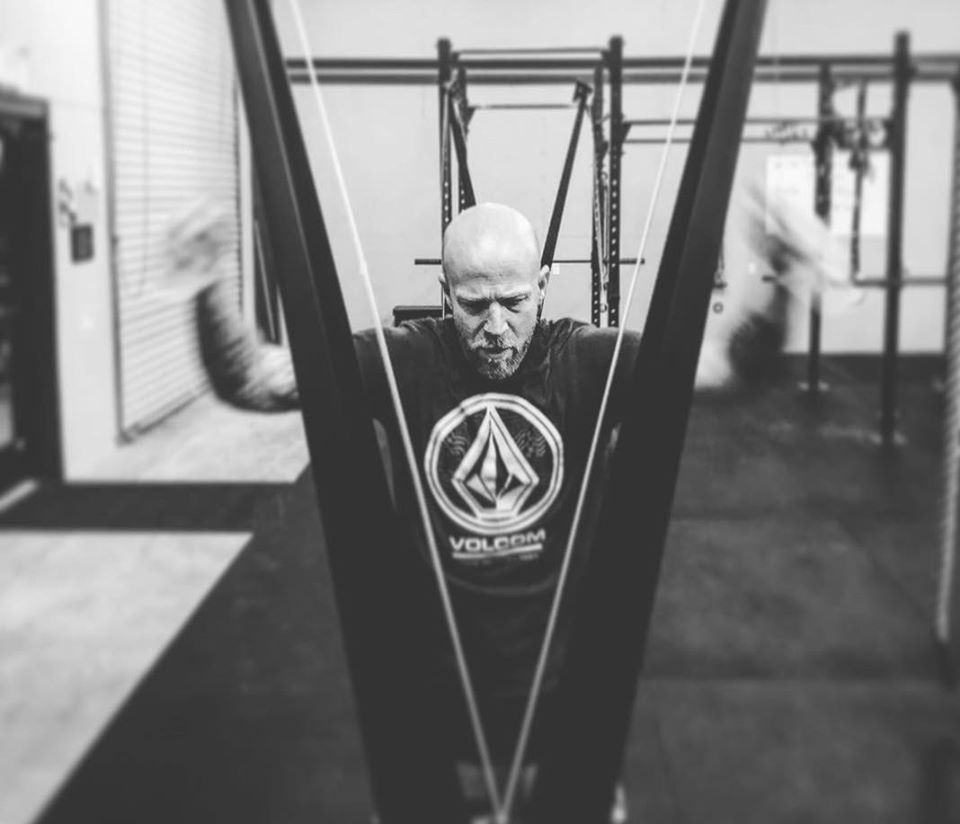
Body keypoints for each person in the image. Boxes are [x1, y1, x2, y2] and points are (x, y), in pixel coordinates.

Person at [171, 187, 843, 823]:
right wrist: (205, 284)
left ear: (542, 285)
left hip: (564, 693)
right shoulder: (405, 359)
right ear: (446, 294)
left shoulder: (585, 358)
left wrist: (784, 285)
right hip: (433, 697)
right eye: (474, 305)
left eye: (515, 302)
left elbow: (724, 371)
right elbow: (256, 380)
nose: (495, 327)